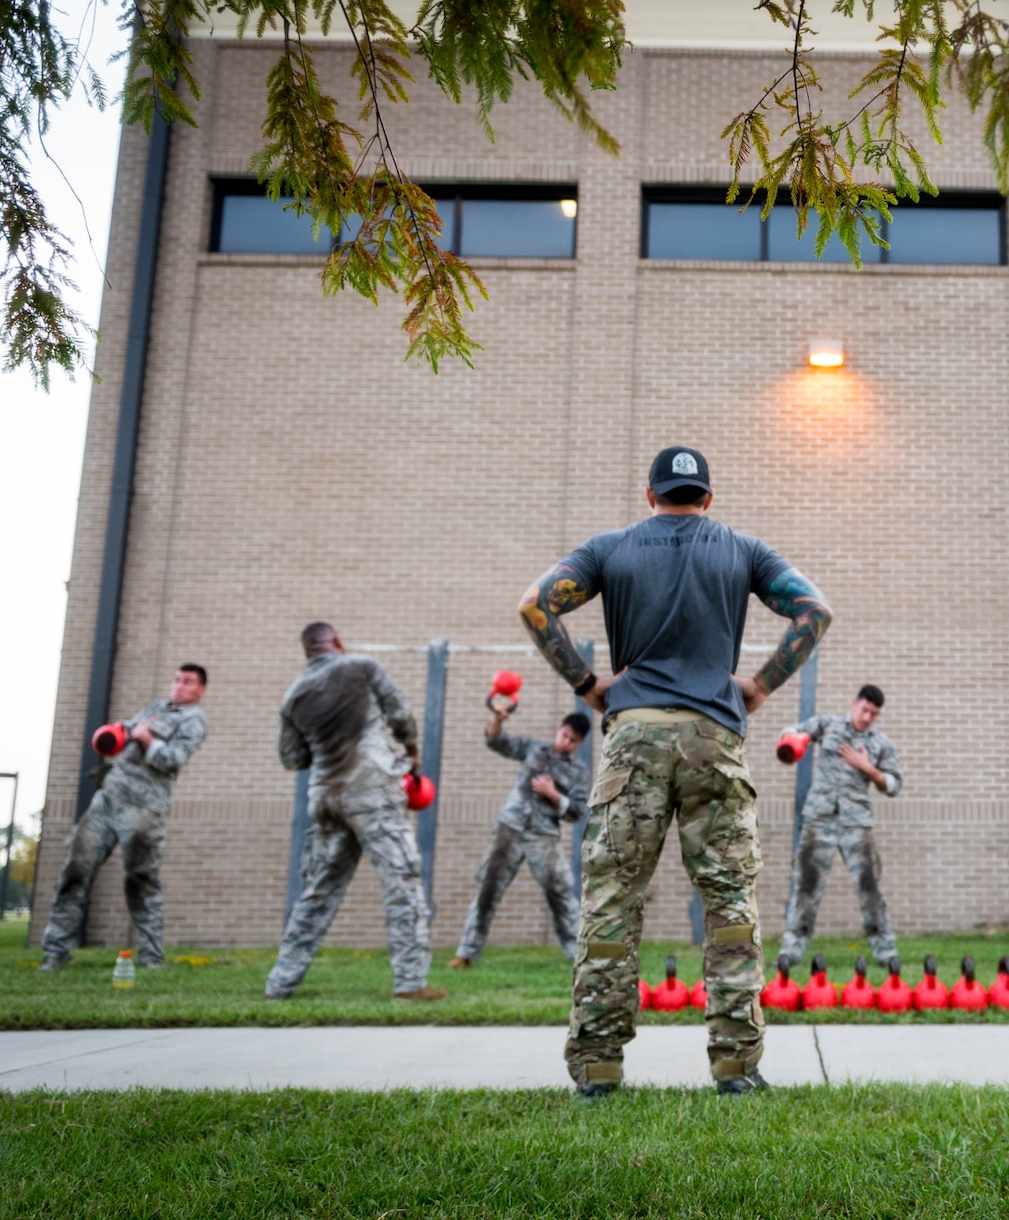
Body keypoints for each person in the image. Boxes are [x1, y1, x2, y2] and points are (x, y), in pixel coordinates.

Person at [519, 445, 830, 1099]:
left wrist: (588, 683)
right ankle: (737, 1067)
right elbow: (814, 611)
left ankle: (599, 1069)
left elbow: (534, 605)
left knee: (611, 898)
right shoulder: (744, 550)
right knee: (728, 902)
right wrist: (761, 686)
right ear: (708, 498)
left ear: (649, 493)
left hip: (633, 735)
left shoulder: (610, 548)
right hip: (714, 735)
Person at [265, 622, 444, 1001]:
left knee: (317, 892)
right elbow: (400, 713)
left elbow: (291, 757)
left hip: (326, 799)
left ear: (307, 651)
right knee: (402, 880)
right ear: (337, 643)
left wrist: (327, 742)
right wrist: (411, 754)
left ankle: (279, 984)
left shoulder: (293, 696)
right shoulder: (361, 666)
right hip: (373, 791)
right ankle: (411, 983)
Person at [38, 664, 210, 970]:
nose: (179, 686)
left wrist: (146, 739)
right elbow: (122, 735)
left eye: (187, 682)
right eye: (176, 679)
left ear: (200, 690)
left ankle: (152, 959)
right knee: (74, 871)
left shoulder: (194, 720)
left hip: (144, 809)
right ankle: (55, 952)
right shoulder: (155, 708)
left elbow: (173, 760)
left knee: (141, 883)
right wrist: (120, 731)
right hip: (107, 800)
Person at [447, 707, 594, 968]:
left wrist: (554, 795)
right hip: (510, 828)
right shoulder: (533, 748)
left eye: (573, 740)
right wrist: (498, 720)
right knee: (488, 889)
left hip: (543, 836)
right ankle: (466, 954)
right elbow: (496, 741)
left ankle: (578, 956)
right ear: (558, 729)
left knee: (558, 892)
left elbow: (577, 811)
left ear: (580, 743)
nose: (566, 742)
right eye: (564, 735)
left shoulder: (579, 772)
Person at [775, 685, 904, 971]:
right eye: (864, 709)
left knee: (869, 887)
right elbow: (790, 731)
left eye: (874, 713)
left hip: (856, 823)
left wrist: (868, 768)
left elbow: (895, 785)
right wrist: (795, 740)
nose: (867, 717)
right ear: (854, 704)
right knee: (806, 886)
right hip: (818, 819)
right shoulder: (828, 725)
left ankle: (886, 953)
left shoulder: (880, 743)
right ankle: (790, 952)